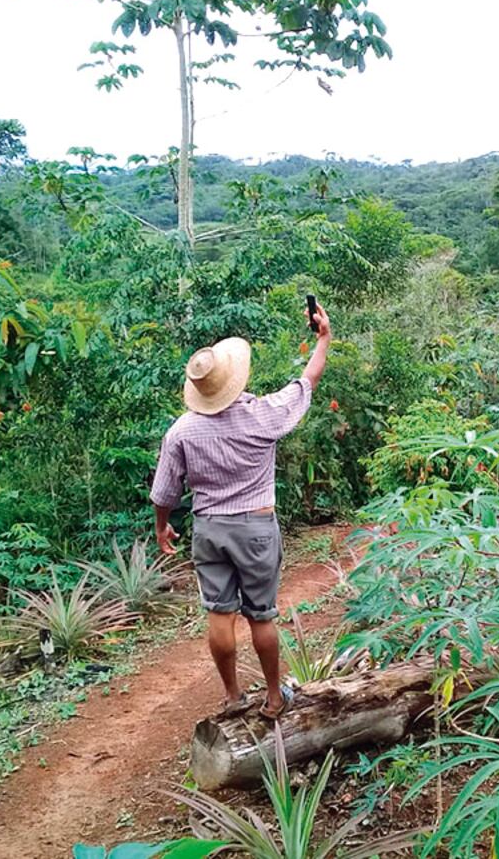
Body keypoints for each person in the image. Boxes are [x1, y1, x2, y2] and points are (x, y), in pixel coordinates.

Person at [150, 301, 332, 720]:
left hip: (209, 529)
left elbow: (164, 492)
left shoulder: (181, 430)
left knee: (219, 613)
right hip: (255, 527)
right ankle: (272, 697)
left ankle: (233, 696)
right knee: (261, 615)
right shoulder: (262, 416)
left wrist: (162, 528)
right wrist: (323, 337)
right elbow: (308, 381)